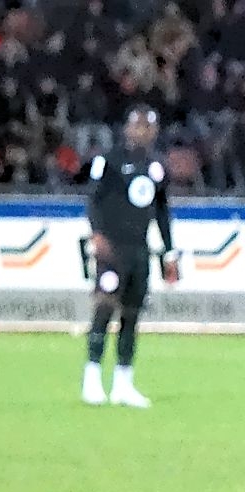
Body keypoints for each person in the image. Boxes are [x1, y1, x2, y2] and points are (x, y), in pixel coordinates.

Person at [82, 105, 180, 409]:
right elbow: (93, 200)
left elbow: (162, 211)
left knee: (132, 314)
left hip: (139, 250)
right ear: (127, 128)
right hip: (112, 249)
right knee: (104, 308)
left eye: (148, 127)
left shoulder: (156, 166)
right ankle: (92, 379)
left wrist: (169, 252)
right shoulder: (109, 160)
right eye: (138, 125)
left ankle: (123, 384)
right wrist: (97, 234)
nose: (142, 132)